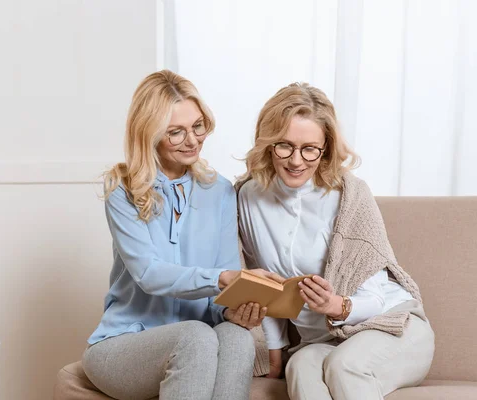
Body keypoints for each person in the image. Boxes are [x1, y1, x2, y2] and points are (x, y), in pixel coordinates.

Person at [82, 70, 283, 400]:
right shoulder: (123, 188)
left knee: (235, 336)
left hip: (197, 341)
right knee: (195, 335)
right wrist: (225, 279)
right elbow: (149, 274)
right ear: (150, 134)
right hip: (123, 345)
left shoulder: (219, 191)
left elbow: (221, 293)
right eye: (176, 132)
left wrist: (232, 310)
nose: (192, 141)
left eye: (198, 126)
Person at [236, 82, 435, 400]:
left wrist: (337, 306)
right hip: (321, 341)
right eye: (284, 145)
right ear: (268, 143)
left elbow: (376, 299)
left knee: (344, 366)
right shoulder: (248, 197)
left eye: (310, 149)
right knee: (299, 365)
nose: (296, 161)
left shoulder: (349, 197)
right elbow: (267, 290)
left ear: (325, 148)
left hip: (391, 327)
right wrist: (275, 351)